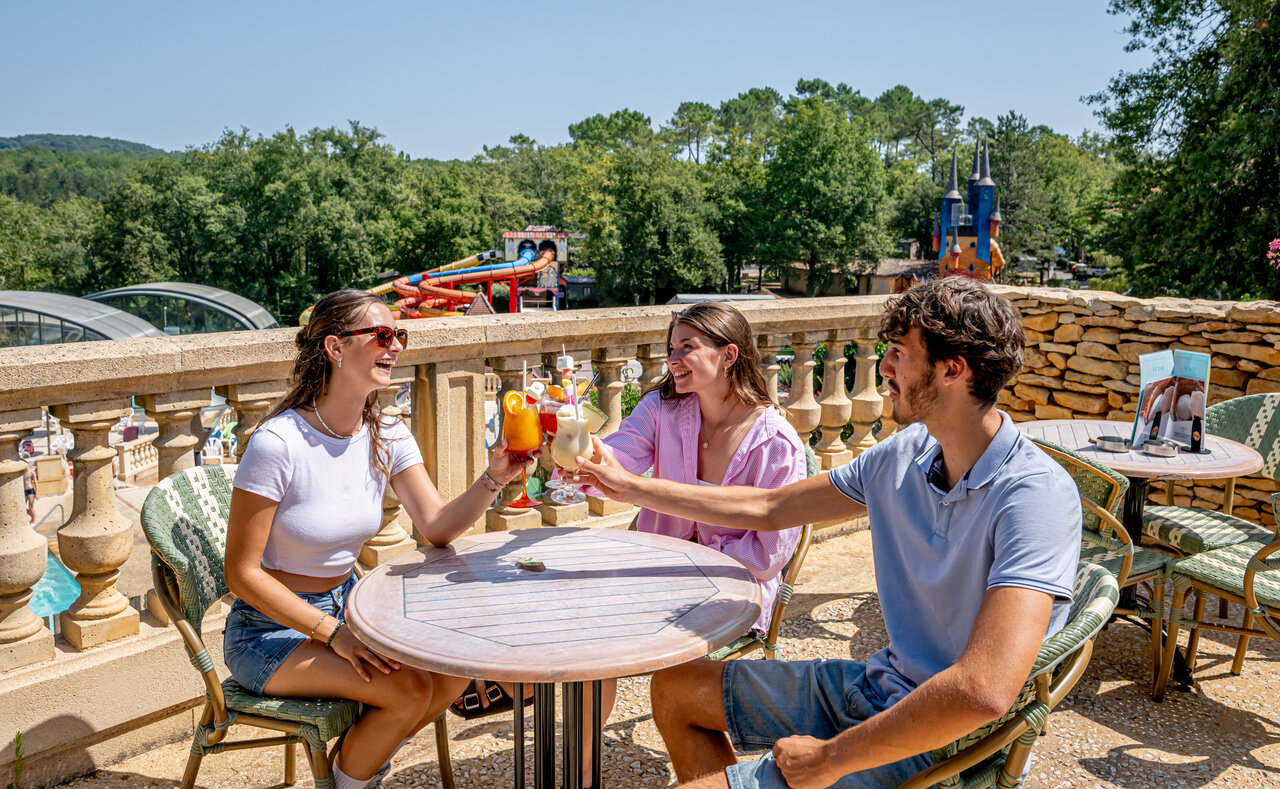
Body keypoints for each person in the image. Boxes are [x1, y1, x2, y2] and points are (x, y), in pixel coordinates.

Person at [575, 276, 1081, 789]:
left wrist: (831, 759)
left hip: (942, 740)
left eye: (899, 353)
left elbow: (982, 691)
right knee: (676, 689)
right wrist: (629, 487)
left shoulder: (1034, 496)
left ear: (953, 370)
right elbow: (770, 506)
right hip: (881, 687)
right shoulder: (902, 456)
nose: (883, 367)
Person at [454, 302, 805, 785]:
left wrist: (673, 507)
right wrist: (585, 453)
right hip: (652, 579)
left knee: (600, 633)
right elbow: (619, 462)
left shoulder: (774, 443)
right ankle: (576, 772)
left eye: (687, 348)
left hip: (731, 594)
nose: (673, 360)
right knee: (580, 616)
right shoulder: (663, 408)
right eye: (670, 349)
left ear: (728, 355)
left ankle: (517, 681)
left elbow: (766, 558)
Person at [223, 289, 535, 789]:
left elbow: (435, 526)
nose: (396, 346)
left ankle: (359, 764)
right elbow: (240, 574)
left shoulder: (386, 433)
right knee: (410, 690)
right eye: (383, 335)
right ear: (335, 347)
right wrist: (334, 634)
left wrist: (493, 478)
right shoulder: (277, 444)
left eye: (400, 336)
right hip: (268, 632)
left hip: (351, 607)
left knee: (457, 664)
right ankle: (358, 774)